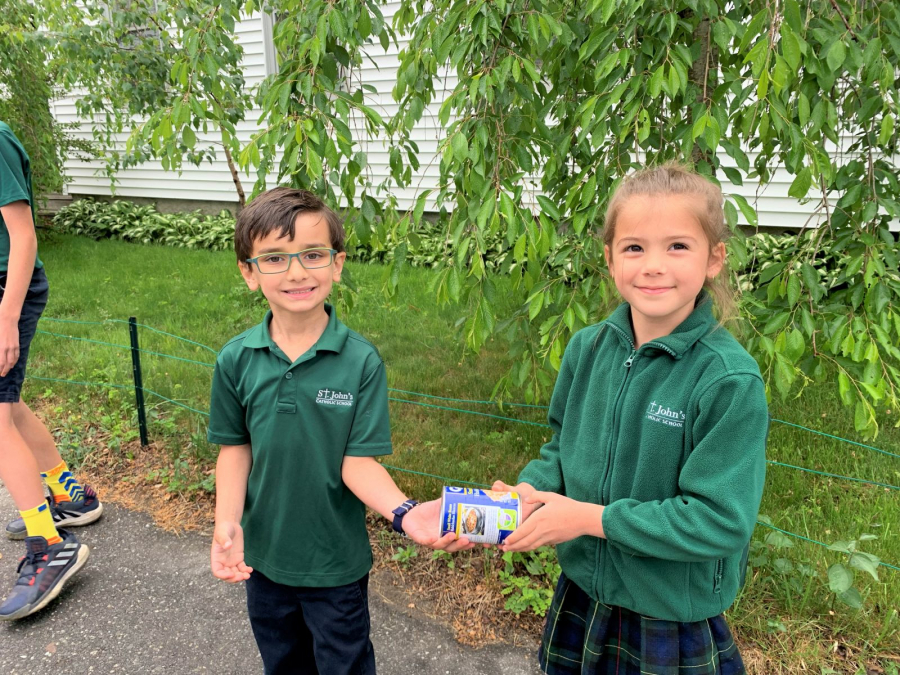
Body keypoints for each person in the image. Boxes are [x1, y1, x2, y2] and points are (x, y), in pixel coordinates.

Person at [493, 164, 768, 674]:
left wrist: (589, 519)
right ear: (610, 258)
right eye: (634, 247)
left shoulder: (729, 380)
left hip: (668, 612)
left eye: (678, 247)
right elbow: (560, 448)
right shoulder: (586, 349)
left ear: (715, 258)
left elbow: (719, 520)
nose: (653, 266)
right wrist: (528, 492)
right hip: (583, 591)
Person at [208, 187, 472, 675]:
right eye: (274, 258)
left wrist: (406, 513)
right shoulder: (235, 360)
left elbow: (358, 462)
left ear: (337, 263)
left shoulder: (360, 362)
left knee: (344, 666)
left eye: (312, 254)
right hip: (263, 561)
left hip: (335, 566)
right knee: (283, 663)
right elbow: (235, 449)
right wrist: (228, 523)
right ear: (248, 272)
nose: (296, 272)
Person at [0, 120, 100, 621]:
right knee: (8, 405)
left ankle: (49, 547)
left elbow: (23, 236)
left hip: (5, 291)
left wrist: (5, 317)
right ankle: (68, 494)